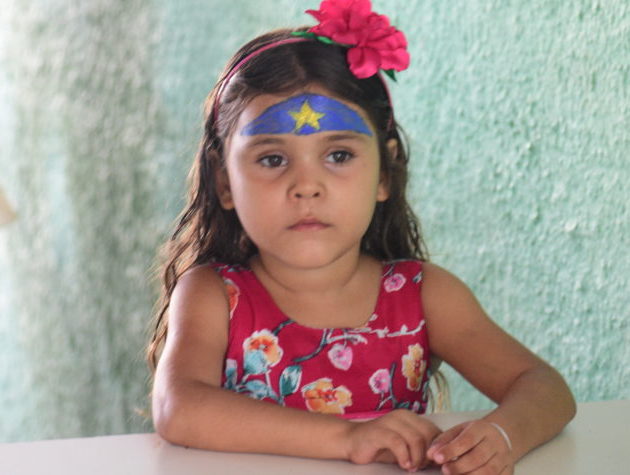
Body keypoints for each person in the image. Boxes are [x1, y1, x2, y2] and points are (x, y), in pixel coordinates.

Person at [147, 1, 576, 472]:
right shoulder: (215, 297)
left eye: (339, 155)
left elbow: (544, 387)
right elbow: (178, 409)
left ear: (384, 173)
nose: (306, 186)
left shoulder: (421, 296)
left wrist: (501, 435)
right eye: (272, 159)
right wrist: (350, 438)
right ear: (225, 181)